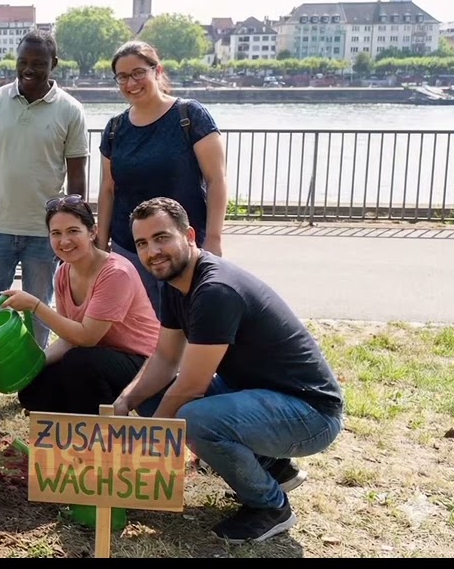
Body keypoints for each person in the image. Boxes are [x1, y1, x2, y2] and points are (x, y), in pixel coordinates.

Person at [113, 197, 344, 543]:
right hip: (264, 398)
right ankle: (272, 466)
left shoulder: (214, 290)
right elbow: (164, 357)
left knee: (192, 417)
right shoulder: (176, 284)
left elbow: (191, 384)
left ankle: (270, 507)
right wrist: (124, 401)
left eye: (161, 238)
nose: (152, 251)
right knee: (157, 396)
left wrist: (154, 437)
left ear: (189, 235)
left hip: (311, 414)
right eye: (142, 243)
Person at [0, 29, 89, 406]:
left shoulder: (70, 110)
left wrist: (78, 229)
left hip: (45, 235)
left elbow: (77, 177)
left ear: (54, 65)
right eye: (23, 62)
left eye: (38, 64)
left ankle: (34, 378)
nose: (29, 70)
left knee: (40, 308)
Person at [97, 41, 228, 315]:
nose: (131, 83)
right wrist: (101, 244)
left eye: (138, 73)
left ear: (157, 71)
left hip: (182, 245)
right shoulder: (114, 129)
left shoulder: (190, 116)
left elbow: (216, 180)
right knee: (139, 328)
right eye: (122, 76)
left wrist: (213, 239)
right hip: (130, 249)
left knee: (189, 321)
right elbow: (108, 190)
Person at [0, 196, 160, 415]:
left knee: (80, 363)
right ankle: (68, 433)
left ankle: (99, 434)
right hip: (98, 356)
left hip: (143, 362)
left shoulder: (115, 273)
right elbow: (69, 338)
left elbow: (86, 337)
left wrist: (35, 305)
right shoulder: (63, 272)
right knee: (33, 388)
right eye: (56, 233)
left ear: (92, 232)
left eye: (73, 231)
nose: (64, 241)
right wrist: (33, 365)